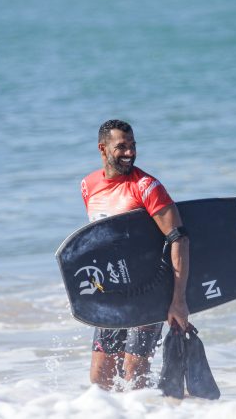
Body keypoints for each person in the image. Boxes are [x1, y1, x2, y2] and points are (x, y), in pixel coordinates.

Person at [80, 119, 190, 390]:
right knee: (100, 379)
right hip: (113, 293)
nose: (129, 152)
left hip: (149, 292)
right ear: (103, 149)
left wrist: (178, 301)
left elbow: (179, 238)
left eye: (133, 146)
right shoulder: (88, 185)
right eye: (121, 147)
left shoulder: (147, 187)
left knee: (134, 376)